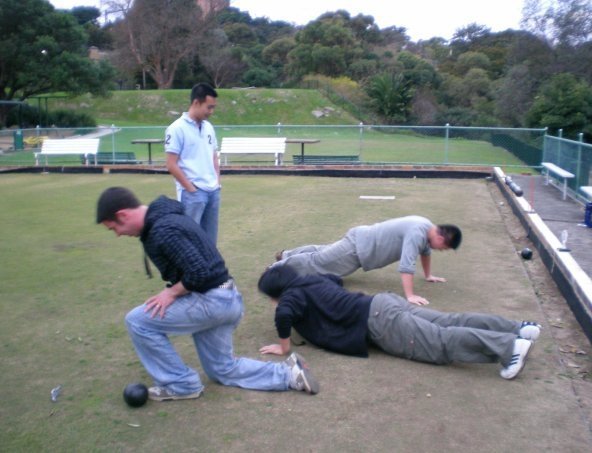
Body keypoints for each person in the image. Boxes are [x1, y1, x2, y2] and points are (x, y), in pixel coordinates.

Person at [96, 187, 318, 401]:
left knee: (137, 321)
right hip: (227, 298)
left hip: (212, 302)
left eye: (113, 228)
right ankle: (290, 374)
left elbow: (199, 272)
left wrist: (171, 292)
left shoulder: (163, 230)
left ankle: (181, 386)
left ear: (122, 215)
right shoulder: (164, 219)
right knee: (222, 369)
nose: (117, 235)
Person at [258, 265, 541, 380]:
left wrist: (284, 347)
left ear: (276, 292)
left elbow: (284, 314)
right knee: (449, 320)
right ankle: (519, 328)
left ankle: (510, 347)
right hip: (383, 303)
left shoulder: (291, 297)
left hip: (380, 321)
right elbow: (335, 280)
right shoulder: (310, 278)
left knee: (440, 341)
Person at [274, 215, 462, 305]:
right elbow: (407, 266)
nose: (441, 251)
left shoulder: (426, 226)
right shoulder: (417, 233)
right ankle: (278, 268)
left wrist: (428, 275)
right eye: (444, 248)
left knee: (322, 253)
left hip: (360, 241)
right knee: (319, 263)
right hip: (357, 249)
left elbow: (426, 253)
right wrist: (410, 295)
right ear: (440, 238)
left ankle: (286, 255)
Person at [165, 83, 221, 245]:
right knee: (189, 242)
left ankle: (210, 271)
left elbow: (213, 156)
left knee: (210, 244)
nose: (211, 112)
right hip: (193, 193)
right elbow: (171, 164)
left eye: (213, 108)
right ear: (196, 103)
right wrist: (190, 188)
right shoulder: (176, 129)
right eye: (209, 107)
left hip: (213, 191)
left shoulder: (208, 127)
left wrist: (217, 182)